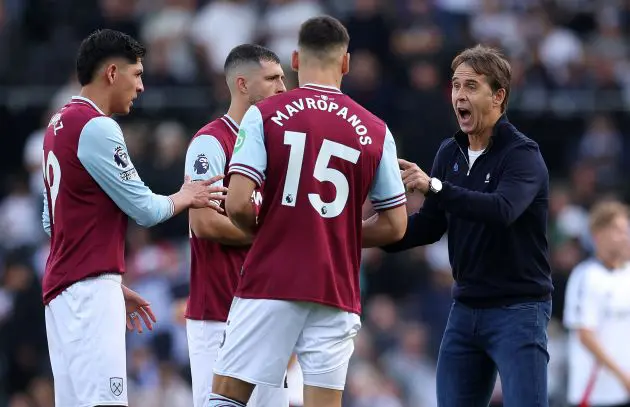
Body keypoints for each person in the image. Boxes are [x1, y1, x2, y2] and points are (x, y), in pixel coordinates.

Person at [208, 15, 408, 407]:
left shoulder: (264, 114)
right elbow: (396, 224)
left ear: (295, 59)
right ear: (346, 63)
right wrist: (334, 229)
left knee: (228, 395)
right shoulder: (376, 130)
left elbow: (235, 202)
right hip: (336, 286)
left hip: (272, 277)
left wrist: (276, 226)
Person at [41, 29, 226, 407]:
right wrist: (187, 195)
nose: (141, 86)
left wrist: (106, 279)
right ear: (112, 73)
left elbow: (52, 221)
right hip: (86, 292)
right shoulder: (98, 126)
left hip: (64, 292)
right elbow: (145, 209)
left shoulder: (56, 124)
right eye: (137, 74)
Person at [379, 45, 552, 407]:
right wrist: (360, 234)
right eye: (456, 86)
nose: (460, 94)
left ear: (498, 95)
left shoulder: (523, 154)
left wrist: (434, 186)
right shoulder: (450, 152)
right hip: (465, 310)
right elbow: (428, 227)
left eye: (471, 86)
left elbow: (502, 209)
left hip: (518, 310)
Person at [184, 43, 288, 407]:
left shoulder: (277, 147)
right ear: (242, 84)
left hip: (268, 315)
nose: (282, 88)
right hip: (218, 315)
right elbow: (204, 222)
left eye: (283, 79)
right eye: (273, 79)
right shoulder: (211, 142)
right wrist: (269, 237)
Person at [563, 201, 630, 407]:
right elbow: (585, 335)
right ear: (598, 235)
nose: (625, 236)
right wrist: (623, 376)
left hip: (623, 392)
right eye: (618, 230)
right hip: (593, 395)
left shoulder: (627, 274)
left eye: (626, 230)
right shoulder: (586, 276)